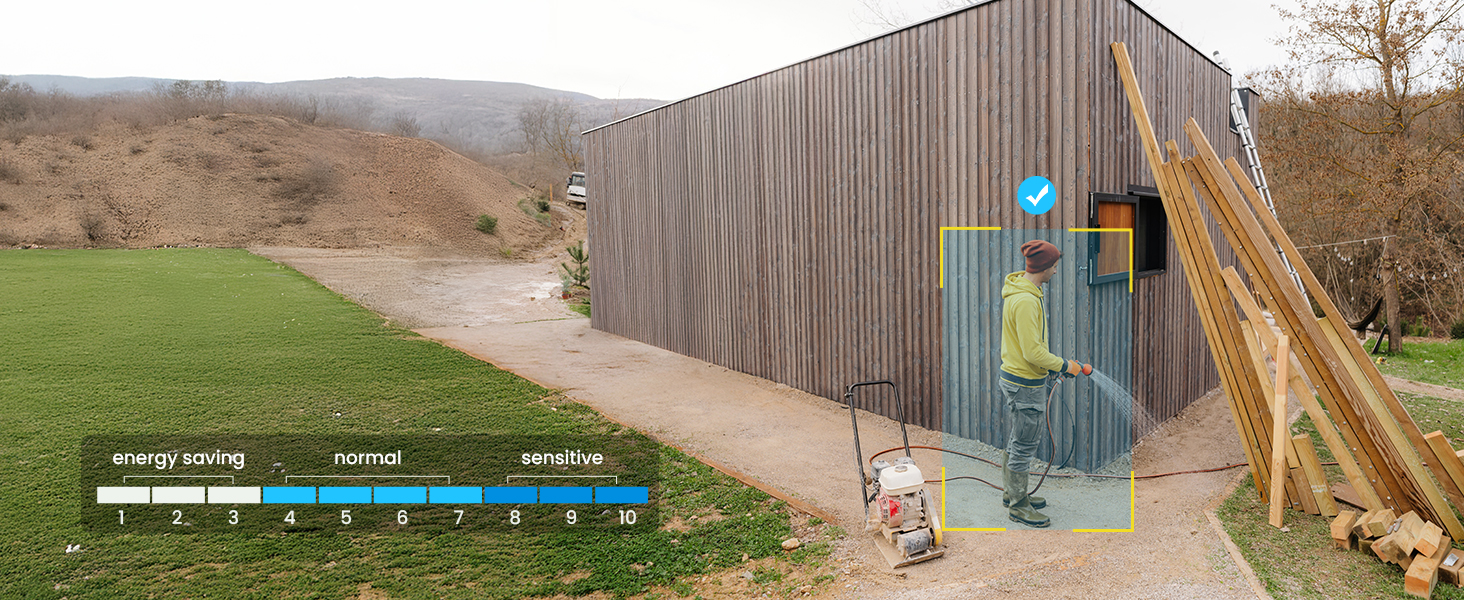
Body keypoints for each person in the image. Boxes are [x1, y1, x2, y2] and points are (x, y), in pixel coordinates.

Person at [998, 239, 1086, 528]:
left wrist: (1048, 368)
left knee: (1018, 436)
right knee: (1025, 443)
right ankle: (1018, 506)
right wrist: (1064, 365)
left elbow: (1031, 350)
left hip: (1021, 377)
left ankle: (1013, 493)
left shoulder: (1027, 291)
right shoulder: (1024, 300)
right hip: (1024, 384)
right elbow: (1032, 352)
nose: (1056, 272)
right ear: (1044, 267)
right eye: (1054, 266)